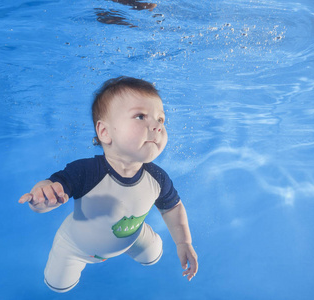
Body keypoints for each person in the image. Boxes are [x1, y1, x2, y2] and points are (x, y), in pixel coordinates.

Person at [19, 76, 198, 293]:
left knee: (154, 254)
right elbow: (55, 187)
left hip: (131, 235)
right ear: (105, 132)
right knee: (58, 285)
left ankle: (136, 239)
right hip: (76, 246)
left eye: (161, 119)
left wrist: (183, 243)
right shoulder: (86, 172)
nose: (157, 126)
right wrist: (43, 198)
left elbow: (173, 207)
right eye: (141, 116)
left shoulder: (158, 178)